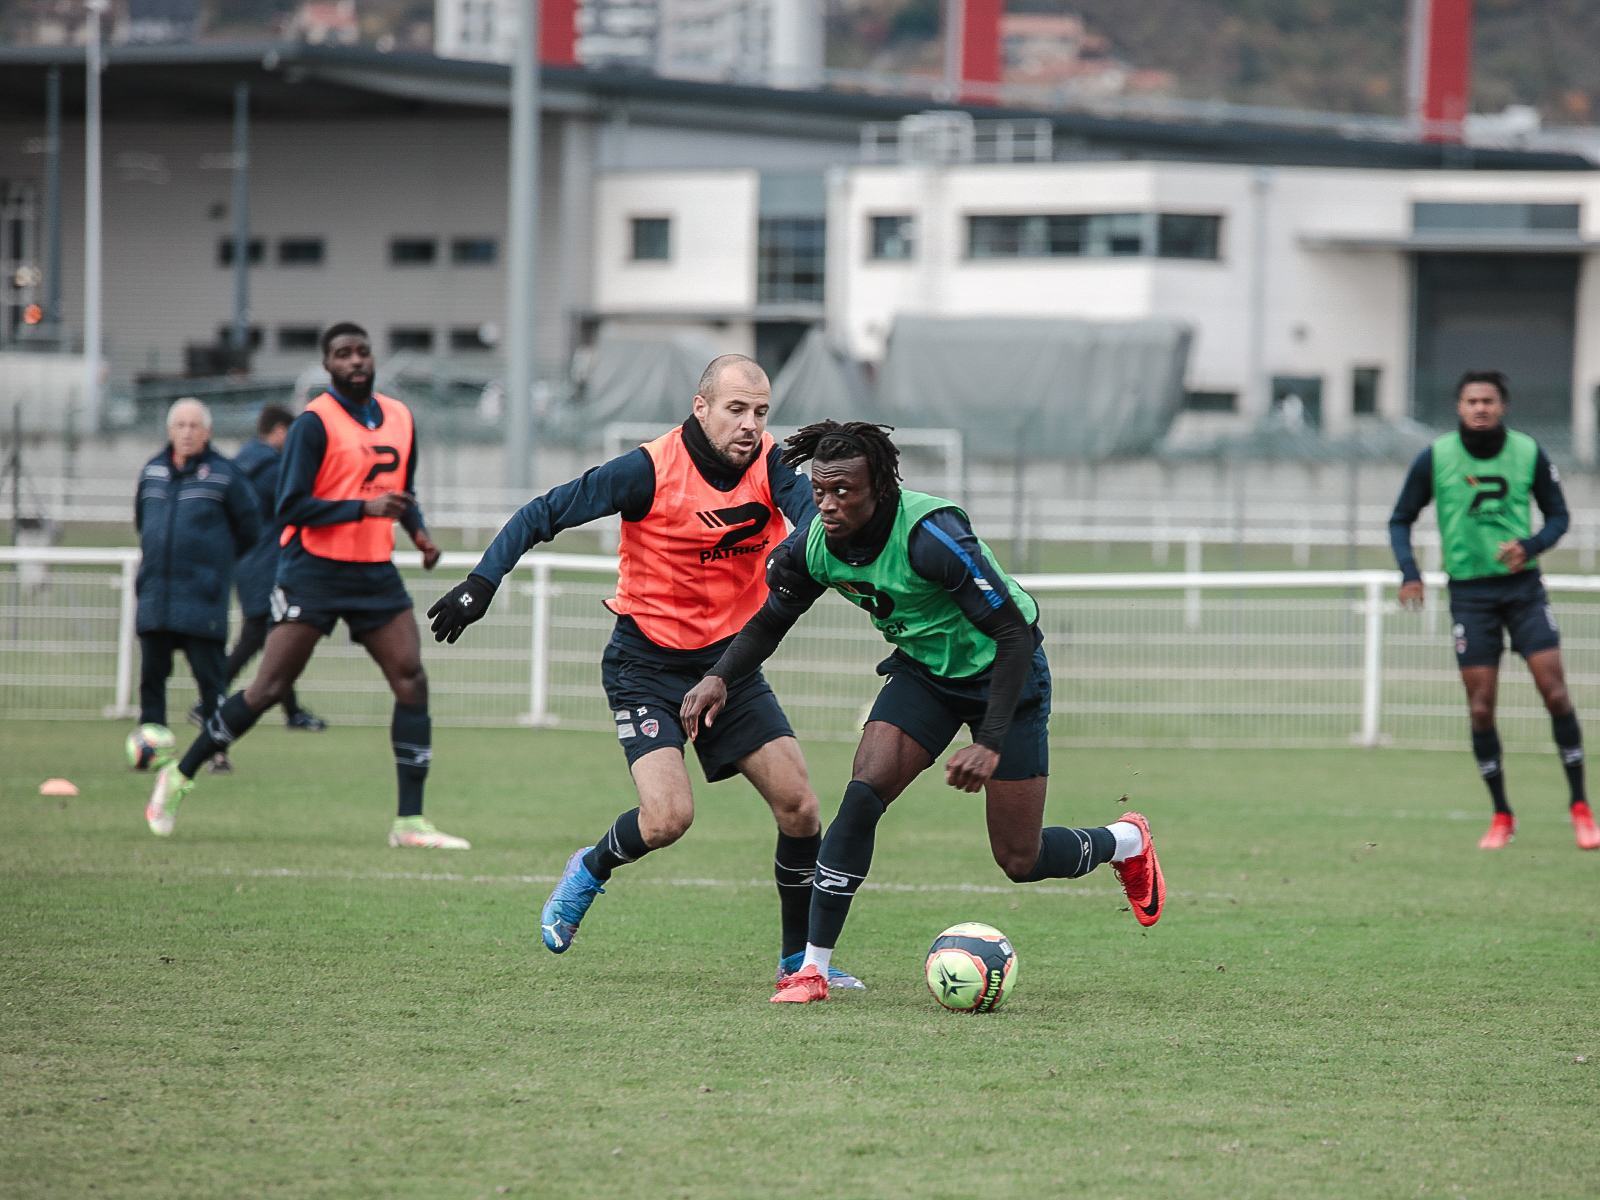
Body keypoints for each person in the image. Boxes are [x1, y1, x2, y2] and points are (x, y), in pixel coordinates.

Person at [680, 421, 1165, 1005]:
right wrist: (718, 677)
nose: (828, 505)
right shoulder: (815, 545)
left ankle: (1125, 842)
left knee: (1019, 857)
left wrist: (988, 741)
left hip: (1005, 675)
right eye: (820, 491)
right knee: (861, 796)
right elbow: (769, 622)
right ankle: (811, 971)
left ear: (880, 488)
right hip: (924, 676)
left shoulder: (932, 537)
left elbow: (1013, 634)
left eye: (844, 492)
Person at [427, 354, 865, 989]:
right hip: (647, 663)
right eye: (736, 410)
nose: (750, 425)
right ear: (701, 407)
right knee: (667, 820)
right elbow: (541, 514)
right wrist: (481, 582)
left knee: (800, 808)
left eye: (761, 412)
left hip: (728, 665)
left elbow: (813, 522)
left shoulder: (774, 465)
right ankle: (591, 868)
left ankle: (797, 964)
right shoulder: (648, 470)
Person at [145, 323, 469, 850]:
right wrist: (363, 509)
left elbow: (402, 492)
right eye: (343, 353)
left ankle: (409, 822)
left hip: (372, 570)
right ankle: (178, 775)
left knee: (412, 679)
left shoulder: (402, 417)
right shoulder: (313, 425)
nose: (356, 360)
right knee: (268, 690)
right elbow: (289, 505)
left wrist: (421, 536)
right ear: (327, 365)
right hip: (313, 569)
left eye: (363, 351)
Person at [1390, 369, 1597, 851]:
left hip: (1523, 590)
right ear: (1459, 408)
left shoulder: (1527, 452)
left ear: (1502, 406)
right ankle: (1502, 814)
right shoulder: (1436, 457)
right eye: (1470, 401)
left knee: (1556, 694)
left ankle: (1581, 808)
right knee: (1481, 707)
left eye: (1488, 401)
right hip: (1469, 595)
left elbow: (1560, 516)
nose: (1480, 408)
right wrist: (1409, 572)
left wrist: (1531, 545)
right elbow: (1401, 518)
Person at [189, 404, 327, 749]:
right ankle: (209, 700)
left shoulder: (242, 463)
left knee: (273, 634)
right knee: (259, 635)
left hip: (246, 560)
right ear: (279, 431)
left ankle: (291, 712)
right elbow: (301, 502)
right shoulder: (272, 467)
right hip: (266, 561)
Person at [133, 398, 261, 768]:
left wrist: (214, 563)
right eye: (180, 425)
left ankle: (216, 750)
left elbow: (250, 528)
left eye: (194, 426)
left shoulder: (224, 474)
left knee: (211, 681)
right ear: (170, 431)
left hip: (202, 597)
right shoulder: (153, 471)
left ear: (207, 432)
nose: (186, 433)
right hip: (157, 593)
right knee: (152, 679)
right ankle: (150, 749)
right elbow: (144, 522)